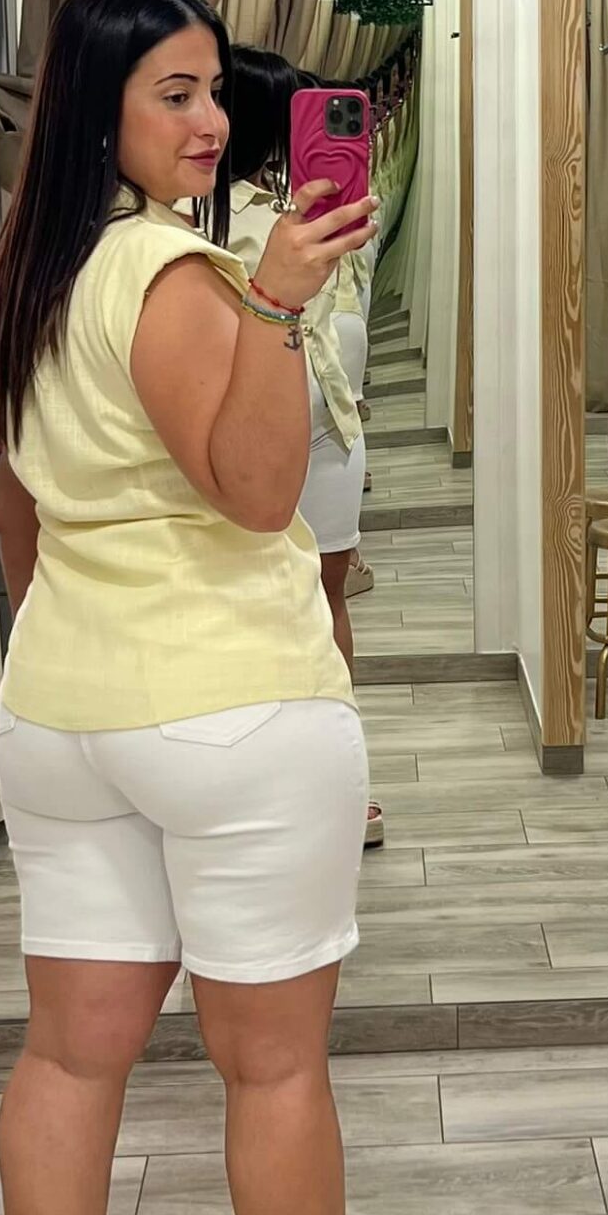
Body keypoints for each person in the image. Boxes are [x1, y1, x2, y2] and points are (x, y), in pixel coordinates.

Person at [0, 0, 403, 1215]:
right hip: (231, 709)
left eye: (215, 89)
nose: (213, 120)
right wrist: (276, 305)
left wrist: (79, 639)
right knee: (271, 1066)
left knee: (68, 1059)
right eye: (174, 93)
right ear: (101, 110)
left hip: (63, 710)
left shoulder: (17, 286)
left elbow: (14, 509)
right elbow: (258, 491)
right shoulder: (172, 274)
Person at [225, 46, 384, 848]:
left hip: (332, 426)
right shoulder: (213, 226)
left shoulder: (293, 214)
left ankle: (336, 784)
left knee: (323, 603)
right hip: (271, 432)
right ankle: (299, 785)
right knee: (280, 608)